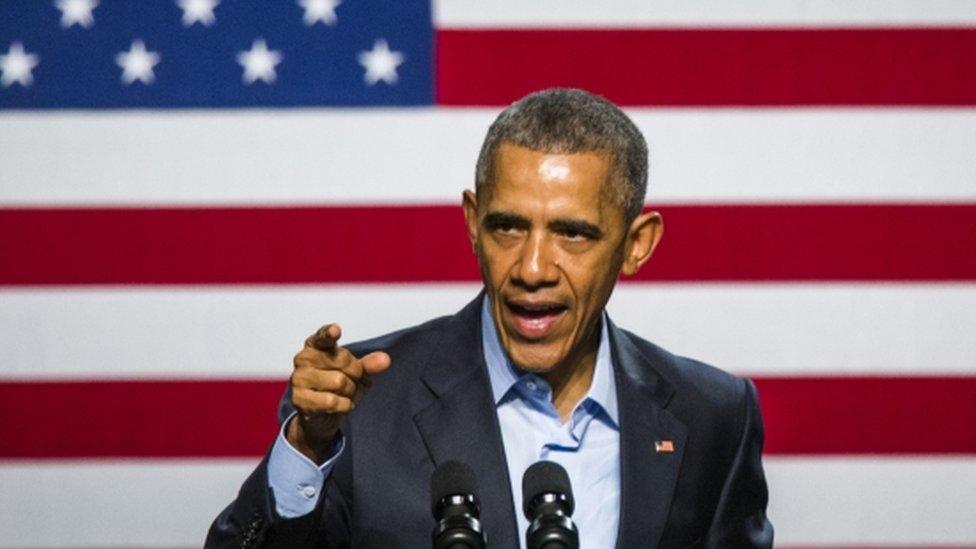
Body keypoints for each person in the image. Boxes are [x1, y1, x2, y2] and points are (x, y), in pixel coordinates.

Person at [206, 88, 773, 548]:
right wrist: (307, 446)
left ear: (637, 245)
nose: (531, 269)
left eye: (571, 233)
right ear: (473, 224)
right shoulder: (356, 404)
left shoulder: (714, 416)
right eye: (508, 227)